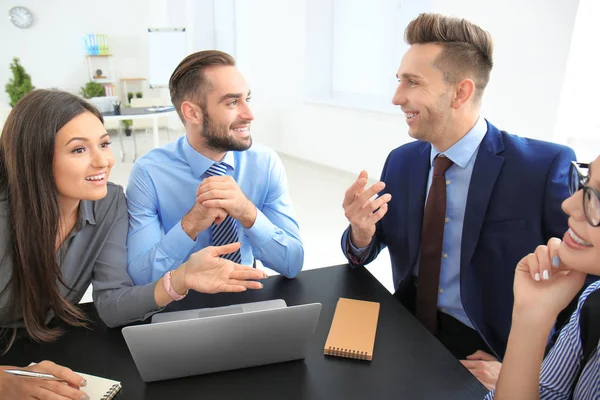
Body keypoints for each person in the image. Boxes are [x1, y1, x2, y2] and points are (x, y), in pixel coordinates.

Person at [341, 13, 576, 390]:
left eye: (412, 82)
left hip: (486, 348)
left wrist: (528, 366)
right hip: (405, 325)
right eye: (399, 80)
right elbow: (364, 251)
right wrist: (361, 232)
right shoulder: (401, 161)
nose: (396, 97)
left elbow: (584, 285)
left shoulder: (542, 168)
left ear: (461, 92)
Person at [0, 89, 266, 400]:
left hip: (38, 347)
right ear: (36, 160)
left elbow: (112, 304)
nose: (103, 161)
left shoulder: (109, 202)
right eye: (78, 150)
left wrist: (179, 279)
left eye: (103, 143)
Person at [126, 50, 303, 285]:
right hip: (180, 297)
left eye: (246, 99)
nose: (249, 115)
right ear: (192, 113)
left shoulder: (264, 164)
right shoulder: (149, 173)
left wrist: (248, 213)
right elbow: (140, 277)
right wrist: (190, 224)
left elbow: (292, 263)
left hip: (248, 289)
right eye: (232, 102)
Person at [487, 159, 600, 398]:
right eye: (586, 181)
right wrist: (531, 318)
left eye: (598, 199)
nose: (569, 205)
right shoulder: (594, 300)